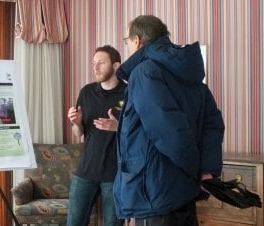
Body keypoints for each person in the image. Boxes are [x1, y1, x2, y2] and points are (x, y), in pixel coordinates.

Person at [113, 15, 225, 226]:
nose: (127, 46)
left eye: (126, 41)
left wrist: (194, 170)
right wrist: (206, 170)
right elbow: (212, 124)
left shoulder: (144, 72)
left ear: (137, 40)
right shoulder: (190, 73)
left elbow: (169, 132)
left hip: (154, 195)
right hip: (183, 193)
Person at [67, 45, 126, 226]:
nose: (96, 67)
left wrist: (119, 128)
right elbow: (79, 134)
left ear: (116, 65)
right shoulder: (86, 92)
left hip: (115, 174)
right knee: (74, 223)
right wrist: (76, 124)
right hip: (86, 170)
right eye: (94, 63)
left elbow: (140, 133)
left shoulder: (129, 93)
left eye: (101, 62)